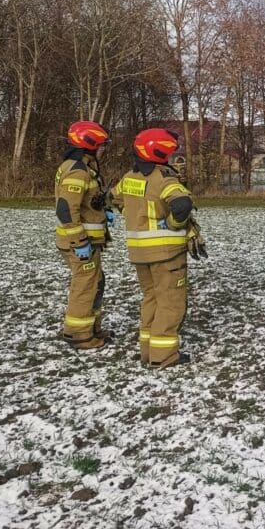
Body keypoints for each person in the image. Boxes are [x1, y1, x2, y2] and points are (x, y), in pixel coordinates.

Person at [109, 128, 197, 369]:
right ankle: (164, 355)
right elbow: (182, 204)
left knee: (151, 298)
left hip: (139, 252)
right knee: (170, 302)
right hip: (166, 253)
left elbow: (113, 197)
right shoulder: (163, 179)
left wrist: (131, 214)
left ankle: (147, 350)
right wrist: (172, 223)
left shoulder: (129, 177)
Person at [55, 120, 114, 349]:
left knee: (96, 282)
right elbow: (66, 209)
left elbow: (85, 201)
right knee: (86, 285)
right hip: (79, 243)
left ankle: (92, 328)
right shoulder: (78, 171)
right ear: (89, 144)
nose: (103, 149)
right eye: (101, 145)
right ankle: (78, 335)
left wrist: (103, 209)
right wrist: (79, 241)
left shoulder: (81, 167)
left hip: (86, 241)